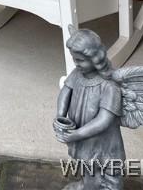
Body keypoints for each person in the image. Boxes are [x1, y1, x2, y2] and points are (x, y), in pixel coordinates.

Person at [54, 28, 124, 190]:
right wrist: (60, 116)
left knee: (101, 170)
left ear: (96, 58)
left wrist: (76, 135)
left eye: (80, 60)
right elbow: (65, 91)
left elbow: (103, 121)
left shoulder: (109, 86)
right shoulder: (77, 74)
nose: (76, 63)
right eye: (74, 59)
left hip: (102, 142)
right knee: (88, 167)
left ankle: (94, 186)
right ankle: (87, 185)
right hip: (82, 136)